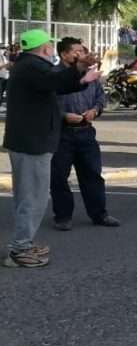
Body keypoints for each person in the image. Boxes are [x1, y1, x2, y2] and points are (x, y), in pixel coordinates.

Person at [3, 29, 100, 269]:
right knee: (32, 198)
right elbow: (56, 81)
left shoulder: (28, 66)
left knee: (29, 196)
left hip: (29, 141)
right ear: (45, 48)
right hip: (32, 143)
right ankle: (20, 249)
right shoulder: (33, 67)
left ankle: (24, 242)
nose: (50, 49)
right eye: (49, 45)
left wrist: (81, 78)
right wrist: (80, 69)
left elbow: (56, 85)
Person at [50, 39, 120, 232]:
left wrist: (95, 110)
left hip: (86, 132)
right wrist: (64, 116)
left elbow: (100, 97)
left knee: (92, 175)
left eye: (82, 51)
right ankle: (63, 217)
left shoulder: (90, 75)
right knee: (58, 177)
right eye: (77, 51)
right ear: (64, 54)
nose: (82, 54)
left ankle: (99, 214)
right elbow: (46, 105)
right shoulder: (54, 75)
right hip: (62, 134)